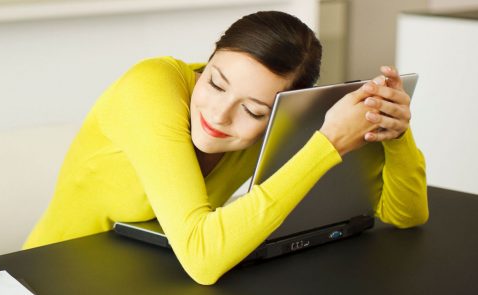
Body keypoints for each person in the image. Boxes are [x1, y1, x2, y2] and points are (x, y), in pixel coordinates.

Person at [23, 11, 428, 285]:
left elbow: (404, 215)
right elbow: (202, 259)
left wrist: (395, 133)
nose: (217, 115)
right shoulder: (150, 88)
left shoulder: (279, 122)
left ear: (277, 114)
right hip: (49, 277)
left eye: (251, 110)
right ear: (210, 56)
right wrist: (326, 145)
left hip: (148, 277)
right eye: (215, 82)